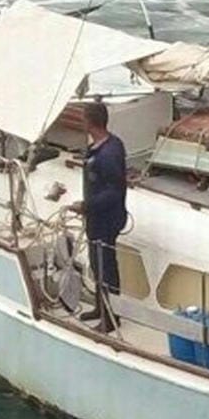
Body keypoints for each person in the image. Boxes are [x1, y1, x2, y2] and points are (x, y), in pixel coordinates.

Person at [71, 101, 128, 333]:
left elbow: (114, 192)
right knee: (97, 265)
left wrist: (86, 206)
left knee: (106, 268)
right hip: (98, 219)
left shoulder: (108, 154)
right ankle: (100, 307)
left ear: (90, 122)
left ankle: (111, 316)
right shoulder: (107, 146)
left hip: (106, 219)